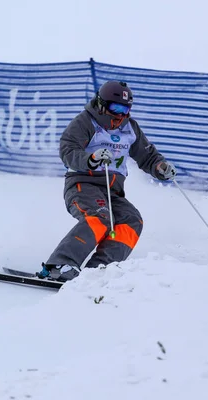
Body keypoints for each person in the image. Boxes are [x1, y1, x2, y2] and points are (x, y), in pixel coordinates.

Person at [37, 80, 177, 282]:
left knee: (131, 220)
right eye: (116, 108)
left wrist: (160, 167)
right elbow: (68, 150)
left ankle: (99, 270)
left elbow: (147, 157)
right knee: (100, 216)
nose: (120, 115)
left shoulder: (130, 128)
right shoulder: (85, 122)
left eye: (126, 109)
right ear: (102, 104)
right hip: (82, 184)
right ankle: (59, 265)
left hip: (112, 192)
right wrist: (91, 159)